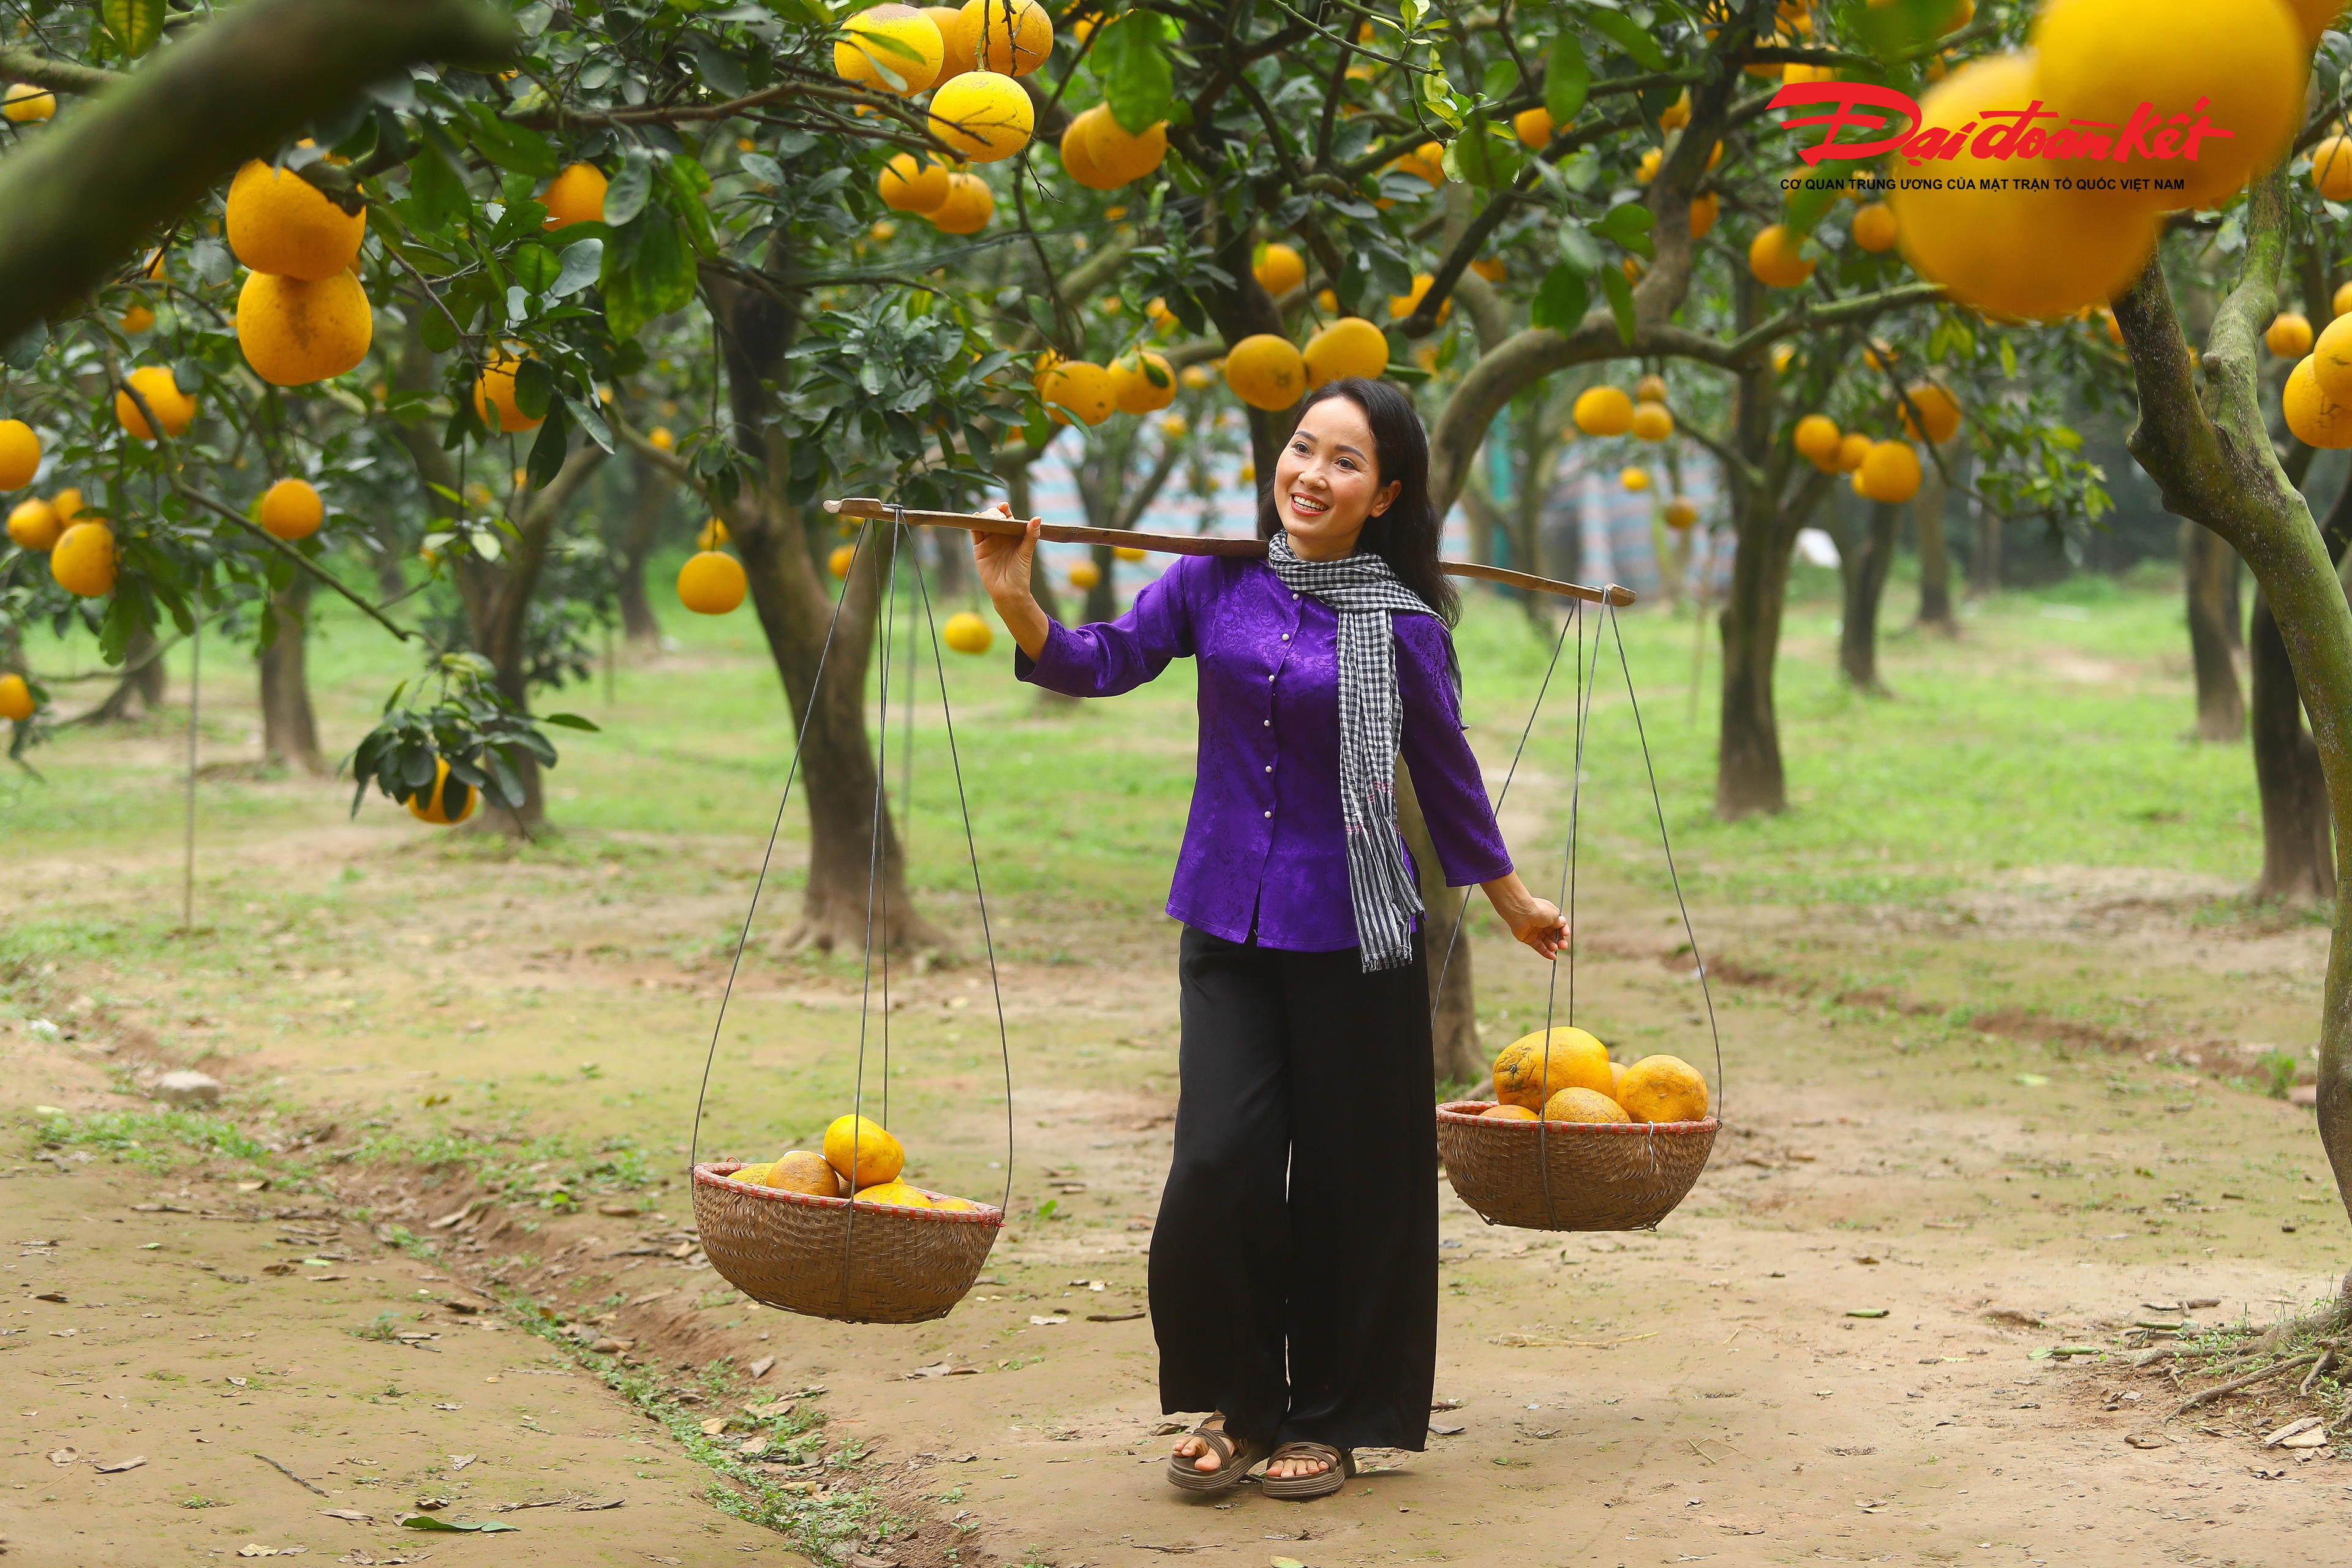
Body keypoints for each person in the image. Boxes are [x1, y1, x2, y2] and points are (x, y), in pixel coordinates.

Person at [973, 377, 1566, 1501]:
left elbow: (1447, 788)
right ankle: (1240, 1403)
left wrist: (1515, 903)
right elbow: (1101, 661)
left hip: (1357, 936)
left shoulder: (1400, 628)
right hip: (1228, 926)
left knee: (1354, 1182)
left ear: (1384, 495)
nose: (1312, 474)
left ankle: (1332, 1419)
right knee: (1218, 1164)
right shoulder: (1216, 580)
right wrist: (1016, 600)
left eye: (1345, 462)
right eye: (1303, 448)